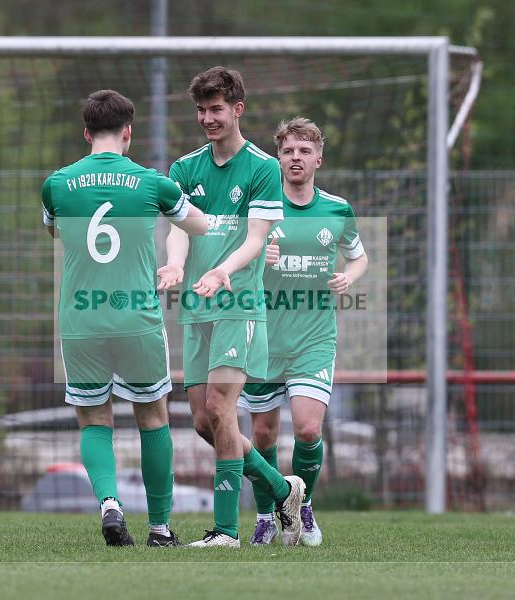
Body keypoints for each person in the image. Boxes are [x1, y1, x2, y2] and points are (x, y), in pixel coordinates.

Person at [42, 90, 207, 547]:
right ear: (128, 132)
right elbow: (199, 225)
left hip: (81, 319)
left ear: (86, 133)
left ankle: (110, 503)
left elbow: (55, 230)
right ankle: (159, 528)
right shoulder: (153, 183)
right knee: (152, 417)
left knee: (94, 419)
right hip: (136, 316)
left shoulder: (56, 184)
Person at [158, 67, 305, 548]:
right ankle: (283, 490)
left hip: (239, 306)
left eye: (216, 109)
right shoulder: (184, 169)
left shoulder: (262, 167)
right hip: (197, 308)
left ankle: (225, 531)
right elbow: (179, 229)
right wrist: (175, 264)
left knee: (222, 408)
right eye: (201, 110)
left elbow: (257, 238)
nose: (208, 118)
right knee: (205, 422)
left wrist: (223, 270)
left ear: (237, 109)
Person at [240, 117, 368, 546]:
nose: (296, 158)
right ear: (278, 158)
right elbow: (233, 261)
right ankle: (265, 516)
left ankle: (303, 506)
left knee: (309, 429)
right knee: (262, 435)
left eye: (304, 151)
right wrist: (259, 258)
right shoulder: (261, 208)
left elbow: (359, 257)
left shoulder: (336, 209)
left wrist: (349, 277)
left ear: (318, 159)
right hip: (263, 336)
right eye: (288, 151)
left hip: (314, 338)